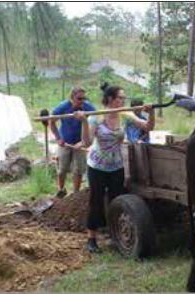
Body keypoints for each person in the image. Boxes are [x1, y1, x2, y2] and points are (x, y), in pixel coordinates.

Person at [73, 82, 155, 253]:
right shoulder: (96, 117)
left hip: (116, 166)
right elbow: (87, 142)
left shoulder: (124, 114)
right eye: (121, 98)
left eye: (124, 98)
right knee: (96, 202)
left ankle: (114, 234)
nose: (123, 101)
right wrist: (84, 122)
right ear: (110, 99)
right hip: (97, 167)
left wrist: (151, 113)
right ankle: (91, 238)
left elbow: (148, 127)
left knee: (116, 200)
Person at [50, 86, 96, 198]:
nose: (82, 101)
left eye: (84, 98)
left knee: (78, 170)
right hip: (65, 142)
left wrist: (82, 142)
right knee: (62, 169)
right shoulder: (63, 107)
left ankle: (75, 194)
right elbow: (52, 122)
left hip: (80, 143)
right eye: (79, 98)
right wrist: (58, 138)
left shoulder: (87, 107)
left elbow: (93, 123)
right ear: (72, 97)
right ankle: (61, 190)